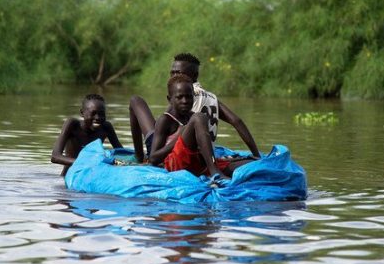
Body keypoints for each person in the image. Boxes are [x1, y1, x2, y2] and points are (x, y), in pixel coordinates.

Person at [128, 52, 261, 163]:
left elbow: (165, 126)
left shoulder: (182, 93)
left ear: (194, 76)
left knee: (135, 101)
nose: (175, 77)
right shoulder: (211, 96)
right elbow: (237, 121)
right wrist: (256, 154)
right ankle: (141, 156)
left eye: (178, 73)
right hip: (197, 147)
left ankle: (139, 157)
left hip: (174, 148)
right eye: (172, 73)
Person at [149, 74, 251, 179]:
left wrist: (231, 159)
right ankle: (215, 172)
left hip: (197, 164)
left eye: (189, 96)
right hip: (176, 164)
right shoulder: (166, 120)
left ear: (193, 96)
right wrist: (178, 138)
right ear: (169, 99)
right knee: (199, 117)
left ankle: (213, 167)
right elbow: (153, 158)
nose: (185, 101)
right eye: (179, 97)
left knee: (249, 164)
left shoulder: (192, 116)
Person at [51, 93, 122, 175]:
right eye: (93, 113)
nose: (98, 118)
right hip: (69, 177)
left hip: (90, 176)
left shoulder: (106, 127)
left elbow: (121, 153)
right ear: (82, 113)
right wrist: (87, 163)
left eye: (101, 114)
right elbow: (55, 156)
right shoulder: (73, 125)